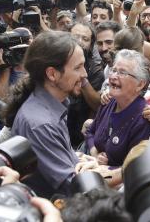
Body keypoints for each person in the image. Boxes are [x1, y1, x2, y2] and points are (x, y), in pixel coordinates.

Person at [7, 31, 95, 198]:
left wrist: (78, 159)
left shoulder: (55, 105)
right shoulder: (40, 124)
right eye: (77, 68)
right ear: (52, 74)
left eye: (84, 65)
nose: (84, 74)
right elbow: (74, 187)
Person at [85, 50, 150, 184]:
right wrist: (94, 152)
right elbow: (90, 131)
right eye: (113, 70)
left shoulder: (144, 118)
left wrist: (108, 166)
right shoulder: (109, 101)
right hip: (96, 175)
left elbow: (136, 170)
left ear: (140, 84)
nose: (113, 76)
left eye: (122, 72)